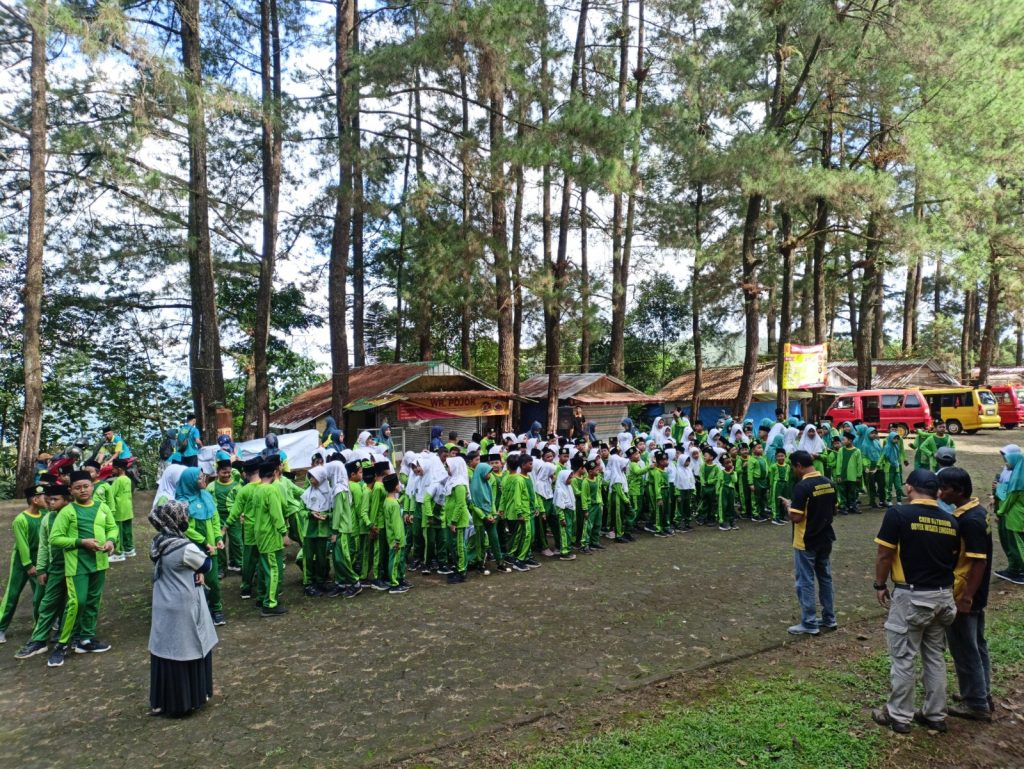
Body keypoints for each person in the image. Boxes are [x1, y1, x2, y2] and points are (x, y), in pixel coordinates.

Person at [871, 469, 960, 734]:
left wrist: (880, 584)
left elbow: (884, 554)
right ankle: (935, 714)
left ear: (909, 488)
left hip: (912, 597)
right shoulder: (951, 521)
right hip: (943, 597)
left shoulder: (898, 514)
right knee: (935, 656)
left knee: (903, 656)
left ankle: (899, 716)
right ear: (937, 492)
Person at [147, 500, 218, 718]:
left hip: (163, 601)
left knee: (166, 651)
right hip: (183, 603)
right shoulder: (184, 547)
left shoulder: (159, 542)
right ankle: (186, 701)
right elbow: (206, 565)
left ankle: (163, 701)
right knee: (186, 649)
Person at [938, 468, 994, 722]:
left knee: (964, 648)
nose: (940, 493)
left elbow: (978, 562)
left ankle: (976, 704)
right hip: (975, 592)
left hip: (965, 592)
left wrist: (965, 597)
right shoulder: (977, 512)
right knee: (977, 644)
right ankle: (981, 692)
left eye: (945, 489)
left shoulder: (969, 521)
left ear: (958, 491)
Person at [46, 469, 118, 667]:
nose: (83, 490)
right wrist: (81, 542)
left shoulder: (102, 507)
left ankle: (85, 640)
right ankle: (62, 644)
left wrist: (111, 541)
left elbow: (112, 527)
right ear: (71, 490)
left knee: (93, 601)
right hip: (77, 565)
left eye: (86, 486)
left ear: (92, 487)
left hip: (99, 563)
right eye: (78, 488)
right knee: (77, 603)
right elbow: (55, 538)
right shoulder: (67, 511)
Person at [779, 450, 837, 636]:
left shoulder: (802, 487)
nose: (793, 471)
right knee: (825, 578)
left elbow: (796, 517)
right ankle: (829, 618)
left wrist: (788, 506)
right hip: (825, 537)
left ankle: (810, 622)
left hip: (806, 540)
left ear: (798, 465)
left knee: (805, 581)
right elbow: (834, 510)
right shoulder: (829, 483)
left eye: (793, 467)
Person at [14, 485, 72, 660]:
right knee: (47, 603)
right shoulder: (47, 519)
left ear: (66, 500)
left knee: (73, 604)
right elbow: (44, 546)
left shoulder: (74, 514)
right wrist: (41, 569)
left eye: (55, 499)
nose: (50, 503)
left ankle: (70, 637)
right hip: (56, 567)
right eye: (49, 499)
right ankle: (39, 640)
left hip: (76, 567)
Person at [177, 468, 226, 627]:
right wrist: (204, 542)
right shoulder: (182, 503)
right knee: (194, 583)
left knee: (213, 582)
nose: (204, 479)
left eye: (203, 476)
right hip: (194, 549)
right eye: (199, 478)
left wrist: (218, 537)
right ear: (190, 482)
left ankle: (216, 608)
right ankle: (199, 613)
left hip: (211, 548)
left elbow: (215, 518)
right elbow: (186, 528)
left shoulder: (206, 496)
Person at [0, 484, 47, 645]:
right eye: (44, 498)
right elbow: (22, 545)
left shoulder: (44, 515)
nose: (47, 500)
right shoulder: (21, 520)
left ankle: (41, 626)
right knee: (12, 595)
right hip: (22, 562)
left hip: (39, 560)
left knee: (40, 595)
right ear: (35, 500)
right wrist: (28, 565)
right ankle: (1, 627)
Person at [994, 451, 1024, 584]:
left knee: (1018, 545)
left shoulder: (1018, 481)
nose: (1005, 464)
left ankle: (1021, 572)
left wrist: (1000, 512)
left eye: (1008, 461)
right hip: (1018, 515)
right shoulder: (1020, 475)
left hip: (1015, 517)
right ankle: (1015, 569)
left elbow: (1010, 500)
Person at [108, 458, 135, 560]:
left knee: (118, 532)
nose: (112, 471)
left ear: (119, 469)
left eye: (113, 469)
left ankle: (119, 553)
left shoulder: (118, 480)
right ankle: (129, 549)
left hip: (119, 510)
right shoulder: (128, 479)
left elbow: (110, 494)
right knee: (127, 531)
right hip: (128, 509)